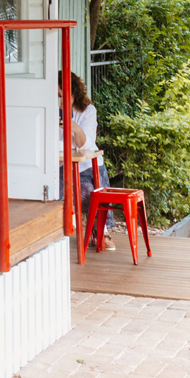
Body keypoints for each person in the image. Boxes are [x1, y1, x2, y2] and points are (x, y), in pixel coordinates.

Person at [59, 71, 116, 251]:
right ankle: (91, 228)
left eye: (62, 95)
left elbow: (87, 144)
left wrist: (75, 129)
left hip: (88, 164)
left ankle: (101, 229)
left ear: (74, 93)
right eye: (56, 96)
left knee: (94, 184)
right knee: (83, 188)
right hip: (62, 165)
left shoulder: (87, 111)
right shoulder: (48, 111)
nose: (59, 100)